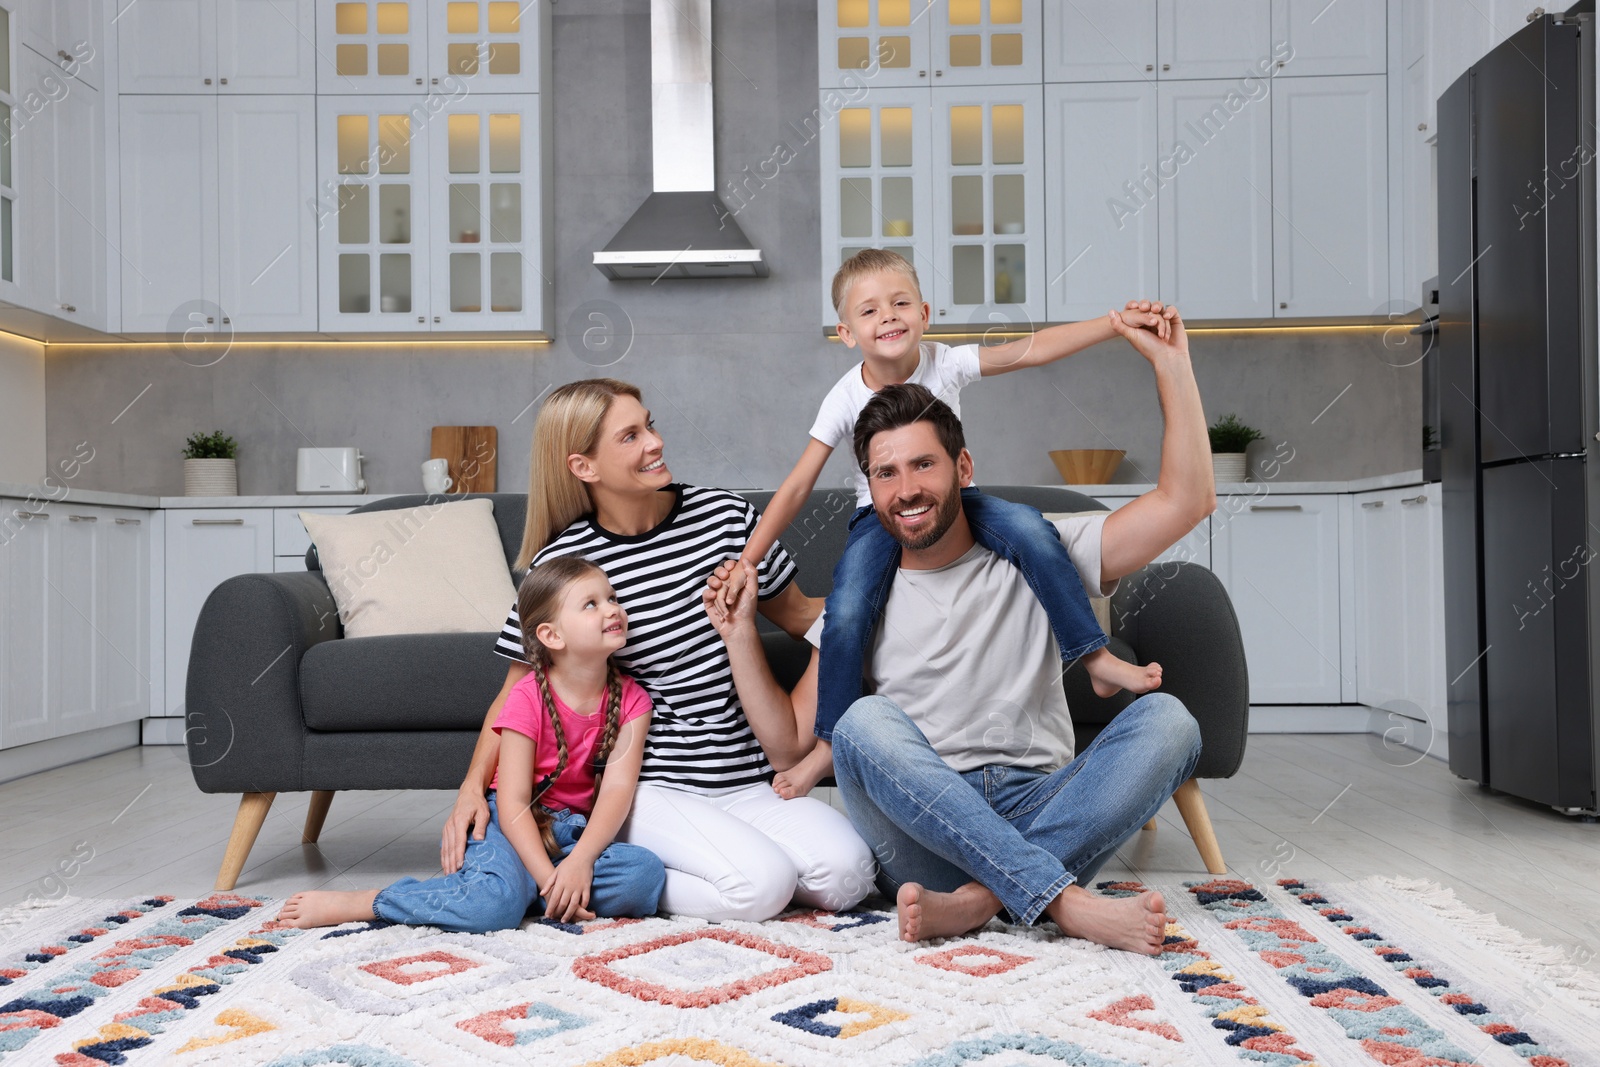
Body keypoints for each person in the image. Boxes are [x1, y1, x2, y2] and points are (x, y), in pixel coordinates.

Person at [713, 307, 1210, 954]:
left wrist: (1173, 366)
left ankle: (982, 902)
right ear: (868, 487)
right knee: (860, 724)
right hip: (923, 838)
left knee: (1171, 721)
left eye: (923, 465)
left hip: (1041, 803)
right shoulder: (858, 596)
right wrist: (738, 632)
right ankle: (1061, 900)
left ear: (964, 467)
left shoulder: (1042, 549)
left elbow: (1187, 501)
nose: (906, 489)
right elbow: (790, 751)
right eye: (885, 473)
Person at [717, 249, 1167, 799]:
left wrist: (1114, 324)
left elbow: (1031, 350)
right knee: (849, 607)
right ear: (846, 332)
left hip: (959, 504)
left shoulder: (947, 362)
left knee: (1031, 530)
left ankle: (1093, 656)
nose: (888, 316)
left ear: (925, 314)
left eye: (900, 302)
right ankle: (829, 744)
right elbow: (795, 487)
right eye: (870, 310)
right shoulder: (843, 397)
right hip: (878, 519)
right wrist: (747, 559)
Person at [439, 378, 874, 923]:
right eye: (630, 436)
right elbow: (514, 700)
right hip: (649, 789)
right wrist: (469, 790)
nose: (654, 442)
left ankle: (722, 866)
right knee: (763, 888)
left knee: (849, 875)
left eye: (650, 424)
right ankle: (604, 883)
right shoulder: (565, 562)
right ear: (584, 466)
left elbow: (803, 618)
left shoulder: (726, 517)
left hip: (747, 779)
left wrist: (877, 602)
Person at [277, 557, 664, 931]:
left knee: (643, 877)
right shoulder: (527, 696)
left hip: (572, 833)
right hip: (513, 824)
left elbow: (616, 791)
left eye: (612, 598)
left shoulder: (633, 701)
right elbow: (513, 803)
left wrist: (581, 860)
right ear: (551, 635)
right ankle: (372, 901)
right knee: (490, 909)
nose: (612, 609)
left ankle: (518, 891)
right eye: (591, 604)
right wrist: (549, 877)